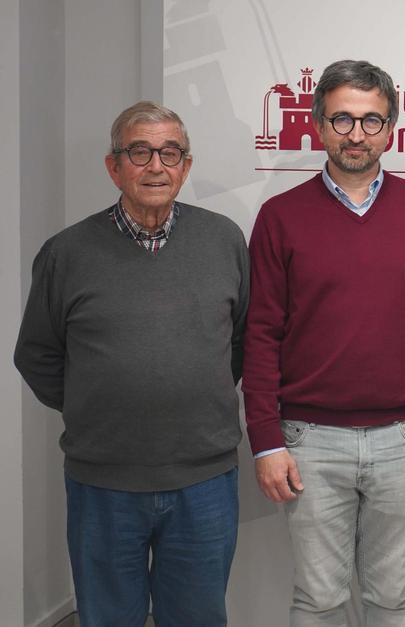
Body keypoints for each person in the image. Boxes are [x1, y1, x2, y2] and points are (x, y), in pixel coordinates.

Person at [242, 59, 405, 627]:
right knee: (318, 601)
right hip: (309, 441)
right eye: (342, 119)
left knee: (393, 600)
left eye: (372, 121)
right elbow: (261, 334)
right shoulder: (279, 217)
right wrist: (266, 441)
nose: (357, 135)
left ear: (392, 129)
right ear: (318, 125)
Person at [13, 101, 248, 626]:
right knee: (107, 617)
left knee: (198, 618)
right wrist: (96, 403)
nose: (156, 165)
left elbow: (238, 343)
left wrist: (185, 386)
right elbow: (37, 354)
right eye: (139, 151)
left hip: (203, 480)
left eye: (170, 153)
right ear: (113, 166)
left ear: (187, 166)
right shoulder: (67, 252)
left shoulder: (225, 241)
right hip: (104, 483)